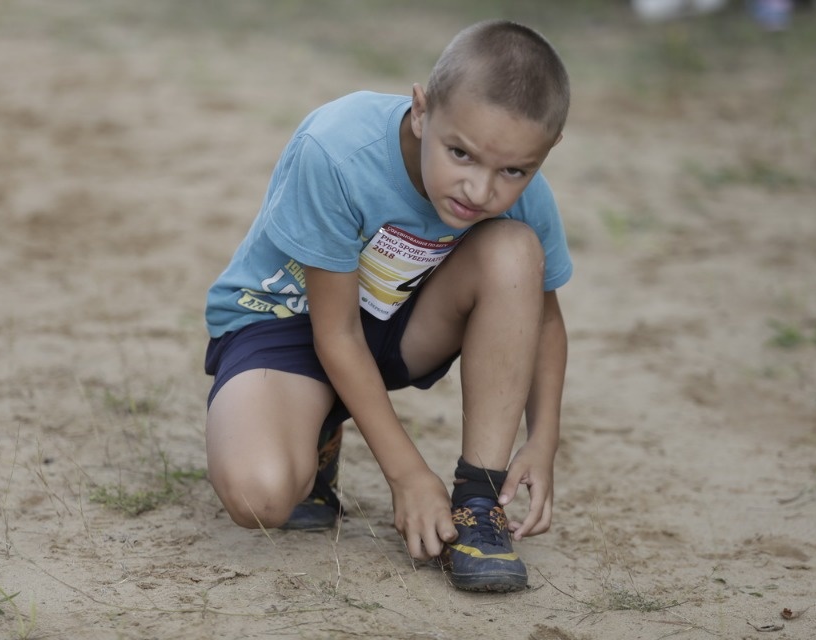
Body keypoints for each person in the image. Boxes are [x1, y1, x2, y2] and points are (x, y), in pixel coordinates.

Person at [203, 19, 572, 593]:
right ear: (421, 111)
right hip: (289, 321)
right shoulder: (337, 151)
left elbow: (544, 319)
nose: (480, 189)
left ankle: (479, 501)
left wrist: (543, 437)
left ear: (543, 154)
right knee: (261, 496)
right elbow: (336, 335)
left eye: (513, 171)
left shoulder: (521, 192)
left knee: (514, 252)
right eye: (461, 154)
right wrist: (405, 474)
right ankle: (316, 430)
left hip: (397, 325)